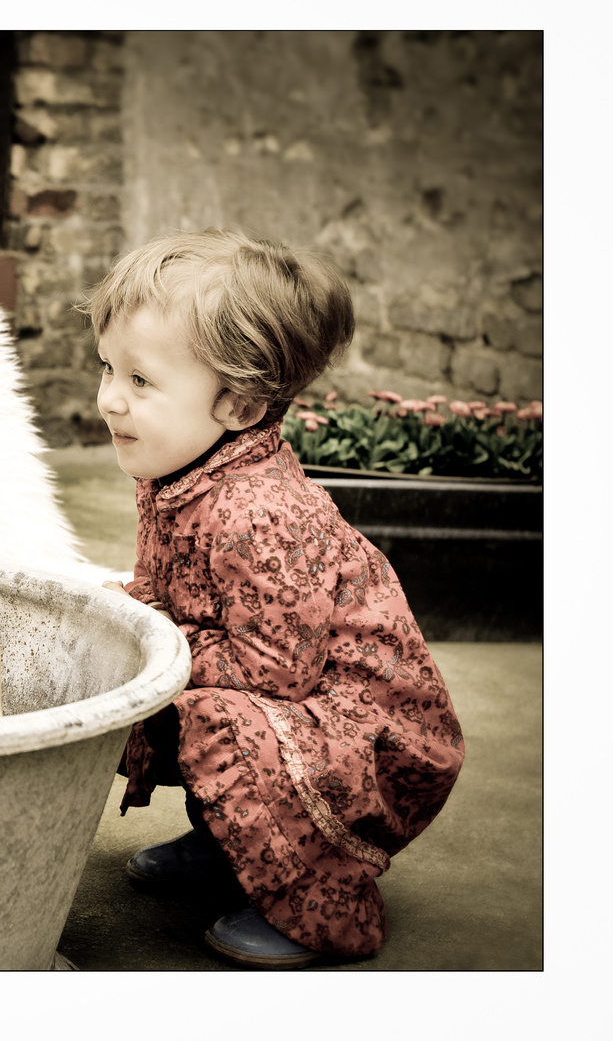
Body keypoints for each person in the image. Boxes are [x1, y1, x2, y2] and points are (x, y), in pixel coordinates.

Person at [83, 228, 463, 968]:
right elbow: (165, 587)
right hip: (300, 704)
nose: (108, 400)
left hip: (375, 741)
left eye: (139, 381)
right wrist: (135, 612)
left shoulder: (258, 511)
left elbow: (272, 671)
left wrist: (157, 640)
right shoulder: (174, 474)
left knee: (212, 712)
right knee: (151, 673)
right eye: (106, 368)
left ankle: (324, 908)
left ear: (237, 402)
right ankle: (232, 848)